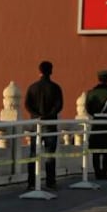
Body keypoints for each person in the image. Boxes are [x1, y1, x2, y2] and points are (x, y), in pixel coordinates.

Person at [24, 60, 63, 190]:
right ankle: (50, 182)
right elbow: (59, 105)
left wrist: (37, 115)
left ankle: (31, 182)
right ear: (51, 71)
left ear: (39, 71)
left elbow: (27, 105)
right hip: (50, 124)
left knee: (33, 154)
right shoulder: (55, 88)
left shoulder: (32, 87)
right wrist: (48, 115)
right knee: (50, 154)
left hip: (36, 124)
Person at [85, 69, 107, 180]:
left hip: (96, 122)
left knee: (96, 149)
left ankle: (97, 172)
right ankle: (105, 171)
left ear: (98, 79)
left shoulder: (90, 93)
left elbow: (88, 109)